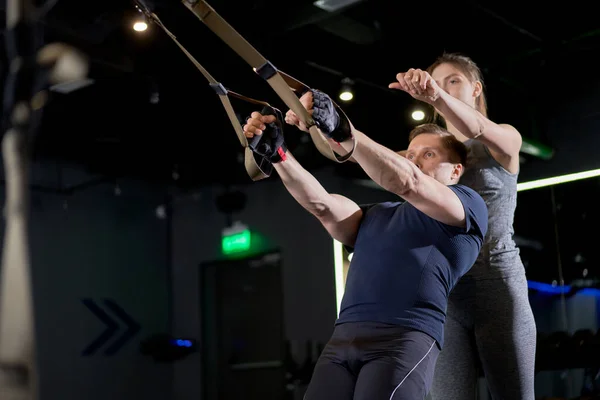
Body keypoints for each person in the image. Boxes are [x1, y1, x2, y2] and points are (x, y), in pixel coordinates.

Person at [242, 91, 488, 399]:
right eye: (410, 155)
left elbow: (407, 181)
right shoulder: (375, 214)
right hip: (342, 340)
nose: (414, 161)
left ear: (455, 171)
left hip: (403, 338)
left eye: (429, 154)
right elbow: (322, 204)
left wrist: (343, 132)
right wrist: (279, 155)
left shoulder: (467, 207)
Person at [389, 52, 537, 399]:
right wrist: (323, 121)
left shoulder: (504, 139)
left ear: (475, 88)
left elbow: (477, 128)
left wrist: (433, 94)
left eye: (452, 80)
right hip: (445, 293)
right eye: (436, 82)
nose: (443, 89)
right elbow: (363, 153)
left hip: (497, 283)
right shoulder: (425, 155)